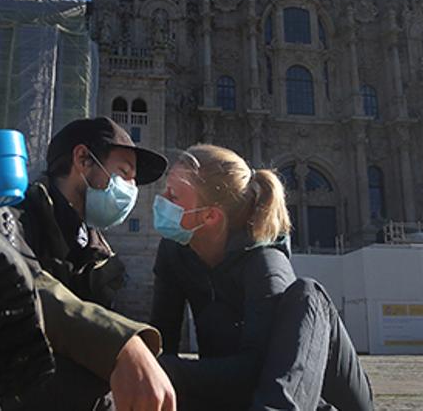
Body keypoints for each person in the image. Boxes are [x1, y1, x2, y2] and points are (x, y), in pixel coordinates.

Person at [149, 144, 374, 410]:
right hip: (235, 391)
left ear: (210, 216)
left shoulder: (266, 264)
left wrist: (153, 366)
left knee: (308, 292)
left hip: (313, 398)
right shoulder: (174, 252)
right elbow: (162, 341)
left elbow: (256, 370)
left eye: (173, 196)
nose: (161, 198)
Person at [0, 117, 176, 411]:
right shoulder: (16, 215)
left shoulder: (94, 248)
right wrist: (121, 344)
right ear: (83, 159)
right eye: (124, 173)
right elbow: (26, 288)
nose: (131, 189)